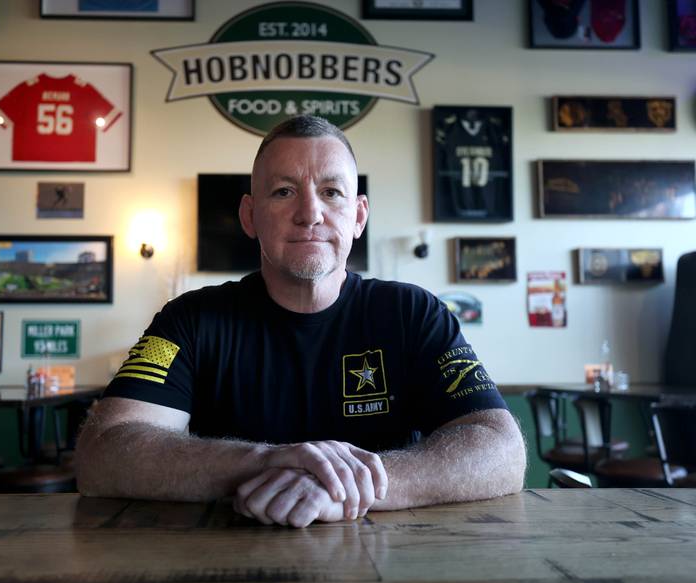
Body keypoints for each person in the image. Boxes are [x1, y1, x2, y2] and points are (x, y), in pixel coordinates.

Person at [76, 115, 526, 527]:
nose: (310, 213)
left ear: (359, 216)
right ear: (250, 217)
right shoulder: (189, 319)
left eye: (331, 192)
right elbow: (104, 453)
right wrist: (264, 461)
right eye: (284, 191)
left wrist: (353, 486)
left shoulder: (414, 314)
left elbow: (502, 452)